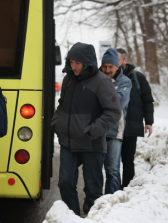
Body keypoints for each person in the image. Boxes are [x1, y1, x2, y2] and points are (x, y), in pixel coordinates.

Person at [51, 42, 121, 216]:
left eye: (77, 63)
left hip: (91, 143)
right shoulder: (68, 79)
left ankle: (92, 216)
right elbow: (62, 105)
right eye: (71, 62)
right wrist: (56, 122)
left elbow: (113, 112)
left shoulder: (102, 81)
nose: (73, 66)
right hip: (68, 142)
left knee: (93, 189)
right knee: (65, 184)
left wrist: (93, 130)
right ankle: (72, 217)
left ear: (87, 63)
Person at [116, 48, 155, 189]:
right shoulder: (108, 77)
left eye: (117, 59)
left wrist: (149, 122)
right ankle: (113, 190)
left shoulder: (138, 78)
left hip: (131, 127)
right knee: (113, 163)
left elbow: (147, 100)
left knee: (128, 161)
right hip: (114, 128)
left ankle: (126, 188)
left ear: (125, 61)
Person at [100, 48, 131, 194]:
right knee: (94, 170)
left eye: (110, 67)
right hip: (97, 131)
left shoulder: (125, 82)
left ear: (116, 66)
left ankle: (110, 200)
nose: (107, 70)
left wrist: (101, 97)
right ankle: (94, 200)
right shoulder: (96, 79)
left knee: (112, 170)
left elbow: (118, 103)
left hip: (114, 132)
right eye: (104, 66)